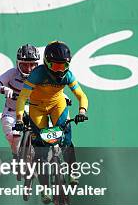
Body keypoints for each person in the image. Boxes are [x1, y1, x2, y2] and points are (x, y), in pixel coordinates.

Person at [14, 41, 88, 186]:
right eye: (56, 66)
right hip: (37, 108)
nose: (60, 70)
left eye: (64, 66)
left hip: (57, 105)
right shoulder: (37, 74)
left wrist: (82, 111)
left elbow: (81, 95)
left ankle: (73, 172)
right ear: (47, 63)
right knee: (41, 149)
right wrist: (19, 119)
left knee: (66, 140)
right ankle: (44, 188)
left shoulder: (68, 76)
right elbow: (23, 97)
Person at [0, 44, 40, 156]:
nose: (29, 69)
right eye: (24, 65)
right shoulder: (12, 73)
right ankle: (16, 156)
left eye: (32, 65)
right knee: (13, 135)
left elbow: (53, 90)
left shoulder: (41, 75)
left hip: (36, 110)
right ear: (18, 64)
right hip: (12, 111)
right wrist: (3, 89)